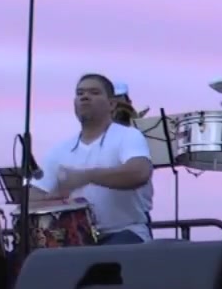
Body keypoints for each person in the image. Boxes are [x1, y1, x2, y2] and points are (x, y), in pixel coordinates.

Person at [30, 74, 154, 245]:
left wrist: (86, 177)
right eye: (80, 93)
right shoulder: (59, 150)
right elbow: (31, 199)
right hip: (74, 238)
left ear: (112, 104)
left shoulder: (129, 136)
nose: (85, 97)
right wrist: (58, 200)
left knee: (103, 258)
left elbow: (139, 173)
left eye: (94, 92)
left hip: (124, 232)